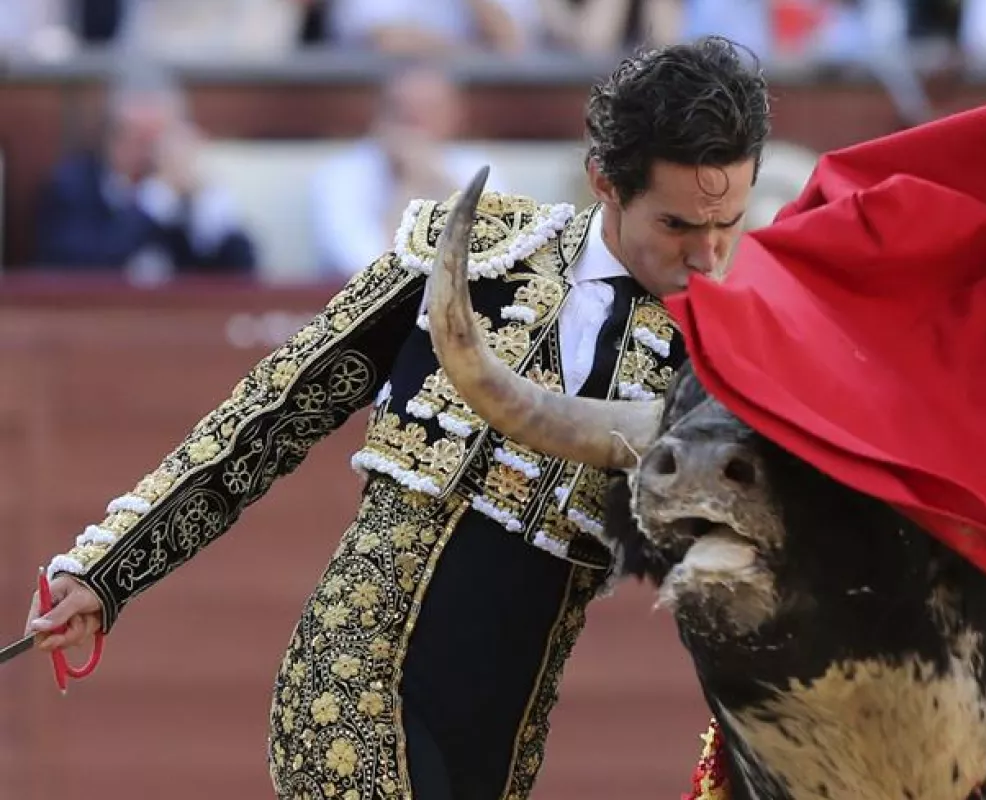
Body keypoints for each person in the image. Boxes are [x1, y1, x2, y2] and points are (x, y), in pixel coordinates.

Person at [25, 35, 771, 800]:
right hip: (353, 683)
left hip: (500, 736)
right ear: (604, 182)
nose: (708, 258)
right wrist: (110, 569)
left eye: (729, 225)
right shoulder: (475, 255)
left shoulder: (714, 361)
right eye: (678, 227)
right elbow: (274, 413)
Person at [31, 65, 258, 281]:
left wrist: (208, 206)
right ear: (111, 138)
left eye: (160, 139)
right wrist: (155, 198)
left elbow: (243, 278)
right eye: (138, 139)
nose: (151, 154)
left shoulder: (188, 194)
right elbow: (79, 273)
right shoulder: (71, 187)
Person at [309, 61, 503, 279]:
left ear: (456, 115)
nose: (414, 120)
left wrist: (439, 179)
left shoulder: (476, 168)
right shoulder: (340, 175)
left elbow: (493, 258)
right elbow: (369, 272)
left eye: (430, 109)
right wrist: (411, 184)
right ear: (380, 114)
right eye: (401, 110)